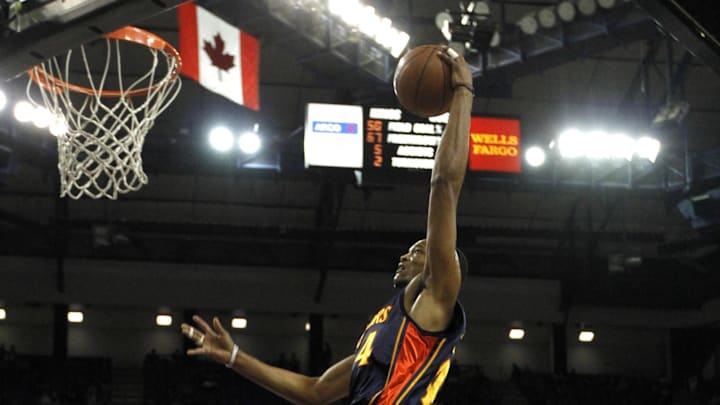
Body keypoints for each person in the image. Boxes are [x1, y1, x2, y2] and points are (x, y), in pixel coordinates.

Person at [181, 46, 473, 405]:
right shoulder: (386, 330)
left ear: (445, 266)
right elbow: (315, 391)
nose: (406, 255)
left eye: (419, 252)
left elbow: (444, 185)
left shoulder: (438, 294)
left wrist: (462, 94)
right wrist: (234, 357)